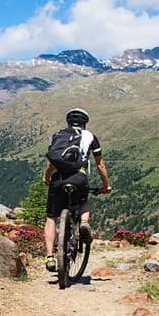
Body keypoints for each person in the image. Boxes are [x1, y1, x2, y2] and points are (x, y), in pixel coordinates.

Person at [43, 108, 111, 272]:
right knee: (83, 201)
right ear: (84, 123)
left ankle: (50, 256)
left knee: (51, 217)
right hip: (79, 178)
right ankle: (84, 224)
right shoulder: (90, 137)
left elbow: (51, 162)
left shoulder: (58, 135)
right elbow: (100, 164)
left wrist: (46, 178)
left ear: (68, 122)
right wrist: (105, 185)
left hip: (58, 179)